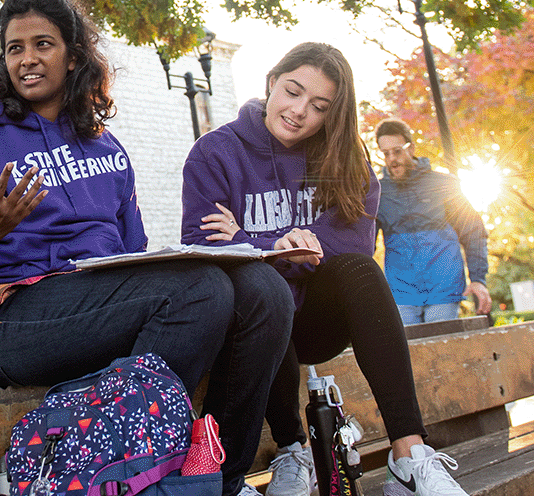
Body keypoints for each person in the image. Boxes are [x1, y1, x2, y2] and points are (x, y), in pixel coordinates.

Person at [0, 0, 293, 496]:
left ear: (73, 56)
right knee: (200, 291)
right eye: (14, 48)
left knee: (264, 290)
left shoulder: (104, 146)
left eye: (42, 44)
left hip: (93, 301)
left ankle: (219, 481)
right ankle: (131, 478)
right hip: (6, 319)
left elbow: (132, 255)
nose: (27, 59)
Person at [181, 43, 469, 496]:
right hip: (249, 328)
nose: (299, 112)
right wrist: (274, 247)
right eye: (293, 92)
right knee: (262, 289)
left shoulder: (345, 156)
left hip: (318, 320)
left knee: (360, 272)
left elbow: (351, 245)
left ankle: (409, 457)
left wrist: (246, 240)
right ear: (272, 81)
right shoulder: (215, 153)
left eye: (319, 107)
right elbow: (202, 246)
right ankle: (293, 450)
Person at [372, 119, 492, 325]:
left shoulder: (444, 184)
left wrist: (478, 279)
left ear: (411, 148)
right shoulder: (378, 193)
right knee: (409, 354)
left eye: (397, 151)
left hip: (444, 290)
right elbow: (364, 245)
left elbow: (474, 232)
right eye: (386, 153)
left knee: (439, 349)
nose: (392, 159)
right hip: (402, 294)